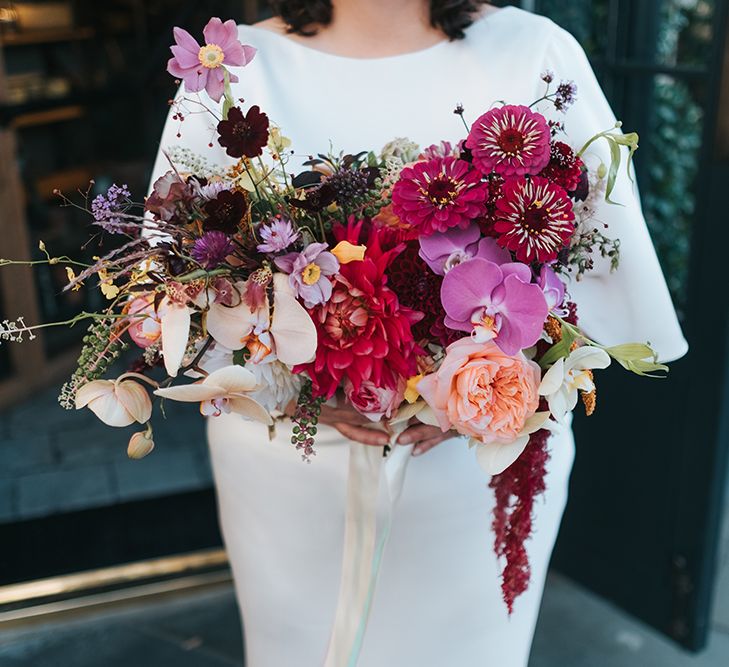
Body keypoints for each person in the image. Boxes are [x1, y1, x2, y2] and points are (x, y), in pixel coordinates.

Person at [149, 2, 688, 665]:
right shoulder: (234, 67)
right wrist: (297, 383)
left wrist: (470, 395)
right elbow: (178, 287)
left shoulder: (533, 51)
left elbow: (598, 281)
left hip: (470, 472)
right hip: (292, 469)